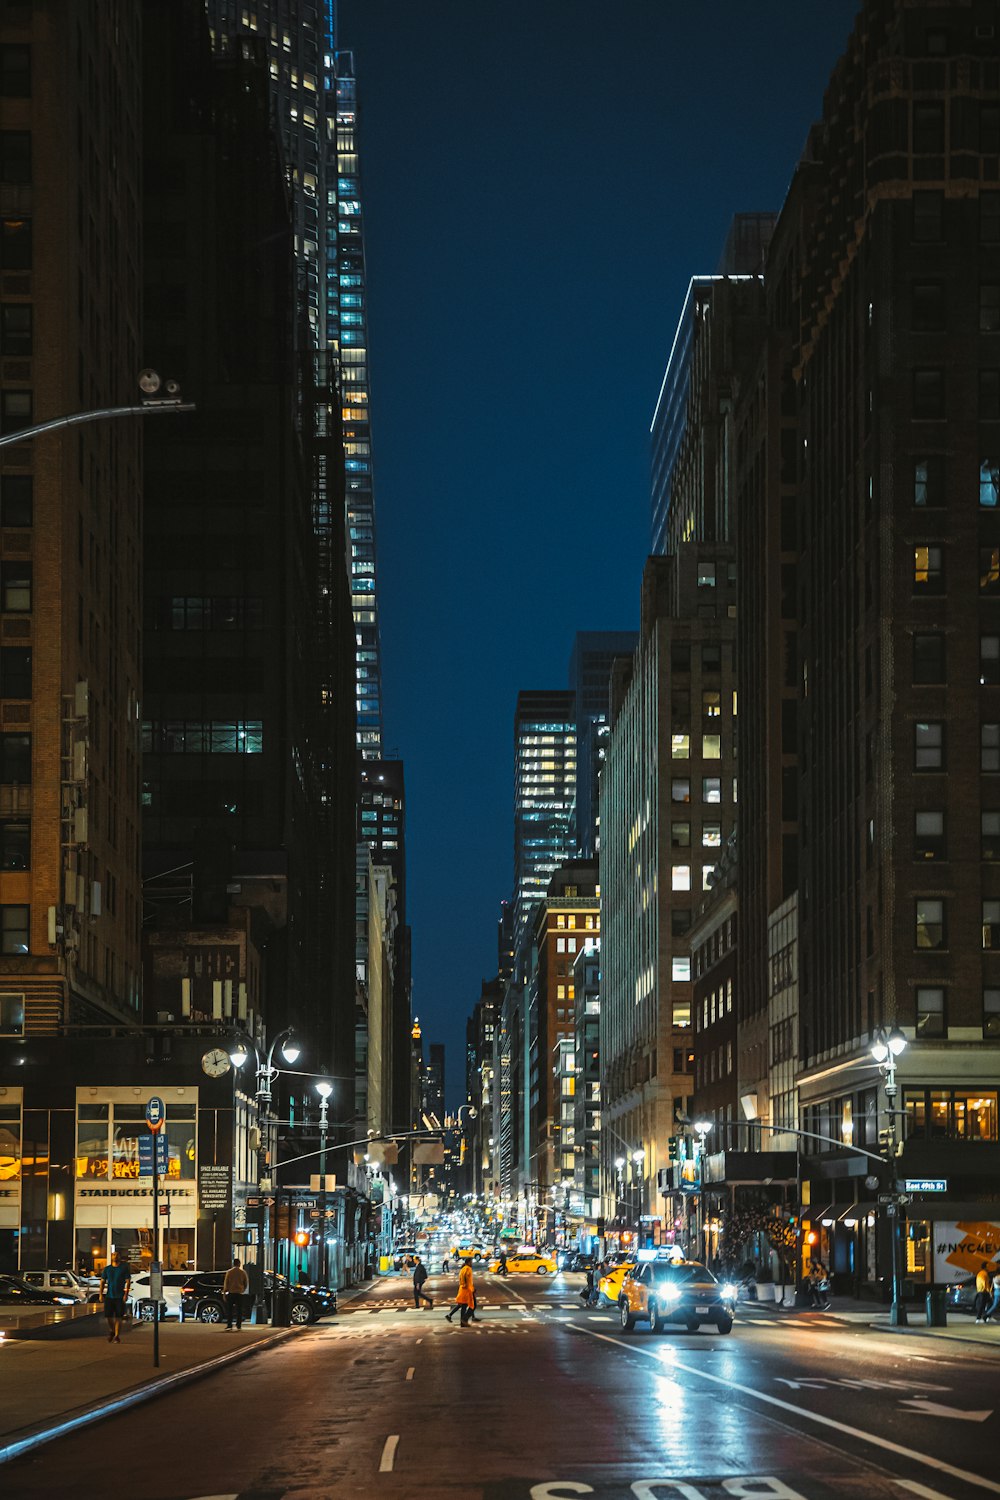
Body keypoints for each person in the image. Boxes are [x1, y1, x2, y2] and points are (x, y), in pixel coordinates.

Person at [100, 1251, 131, 1343]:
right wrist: (101, 1294)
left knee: (118, 1317)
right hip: (109, 1296)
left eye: (117, 1255)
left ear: (120, 1257)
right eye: (114, 1255)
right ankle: (112, 1330)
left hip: (119, 1296)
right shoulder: (107, 1269)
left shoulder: (124, 1268)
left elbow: (128, 1282)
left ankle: (117, 1336)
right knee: (108, 1316)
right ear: (111, 1257)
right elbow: (102, 1282)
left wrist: (126, 1294)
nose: (115, 1256)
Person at [446, 1260, 476, 1325]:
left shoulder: (463, 1269)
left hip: (463, 1290)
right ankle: (464, 1319)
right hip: (467, 1290)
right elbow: (467, 1278)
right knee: (471, 1305)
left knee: (463, 1306)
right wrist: (469, 1286)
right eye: (471, 1262)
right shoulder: (468, 1269)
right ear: (468, 1263)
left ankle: (462, 1322)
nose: (471, 1263)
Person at [223, 1256, 249, 1330]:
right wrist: (243, 1289)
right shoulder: (243, 1272)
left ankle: (229, 1325)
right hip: (239, 1293)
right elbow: (246, 1282)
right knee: (239, 1310)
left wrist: (225, 1293)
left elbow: (226, 1283)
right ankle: (238, 1325)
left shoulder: (229, 1272)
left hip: (231, 1293)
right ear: (239, 1264)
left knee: (230, 1310)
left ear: (233, 1264)